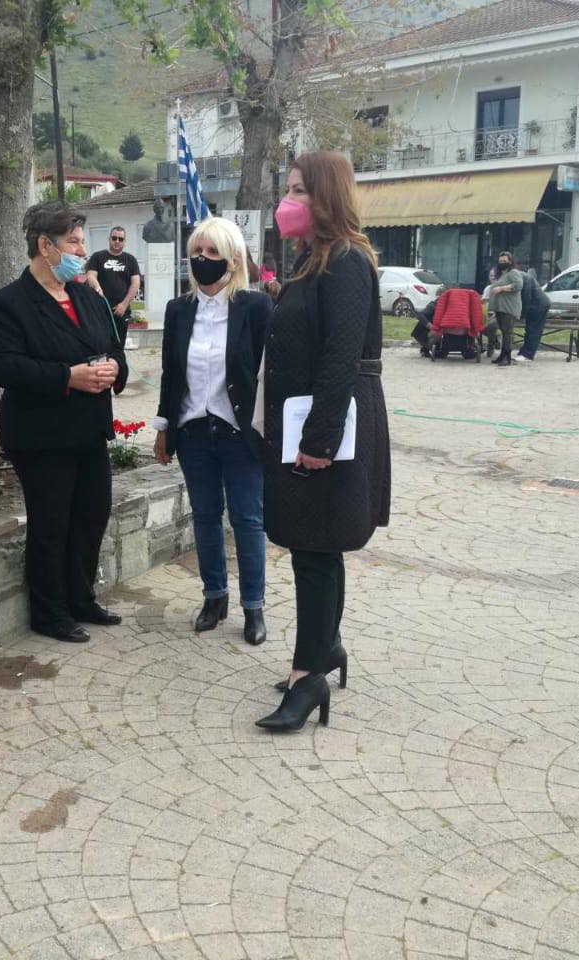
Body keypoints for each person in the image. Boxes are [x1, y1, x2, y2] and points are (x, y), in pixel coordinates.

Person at [253, 151, 391, 732]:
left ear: (326, 195)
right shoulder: (315, 260)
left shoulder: (347, 262)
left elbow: (341, 357)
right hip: (309, 424)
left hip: (326, 428)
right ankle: (325, 646)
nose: (287, 201)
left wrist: (319, 440)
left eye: (298, 190)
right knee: (316, 547)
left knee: (313, 549)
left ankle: (306, 677)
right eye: (287, 189)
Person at [0, 200, 129, 643]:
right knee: (51, 525)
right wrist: (68, 376)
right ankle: (50, 612)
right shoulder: (8, 303)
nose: (82, 251)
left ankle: (81, 598)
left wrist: (114, 370)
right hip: (42, 434)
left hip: (89, 428)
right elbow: (4, 367)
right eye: (73, 242)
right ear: (45, 246)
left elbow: (113, 345)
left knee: (91, 518)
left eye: (82, 242)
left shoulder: (87, 294)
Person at [153, 216, 272, 645]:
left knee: (247, 520)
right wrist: (163, 427)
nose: (202, 259)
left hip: (239, 432)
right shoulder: (179, 309)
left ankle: (254, 606)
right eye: (196, 252)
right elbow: (170, 374)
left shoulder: (255, 307)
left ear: (233, 259)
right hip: (193, 432)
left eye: (212, 252)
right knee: (204, 517)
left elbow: (268, 374)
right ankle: (214, 597)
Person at [86, 226, 142, 345]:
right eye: (114, 238)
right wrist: (96, 286)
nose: (117, 241)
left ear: (124, 241)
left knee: (118, 345)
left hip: (121, 310)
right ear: (109, 239)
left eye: (120, 239)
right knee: (100, 344)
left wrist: (124, 304)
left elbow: (136, 283)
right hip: (100, 309)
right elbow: (91, 275)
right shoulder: (97, 257)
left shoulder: (131, 260)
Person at [484, 251, 523, 365]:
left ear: (510, 261)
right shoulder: (502, 274)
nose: (502, 263)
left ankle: (507, 357)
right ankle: (502, 356)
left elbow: (518, 285)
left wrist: (502, 288)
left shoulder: (513, 273)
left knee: (507, 333)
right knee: (504, 332)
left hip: (508, 308)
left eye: (504, 261)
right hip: (500, 308)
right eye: (500, 261)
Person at [515, 265, 551, 363]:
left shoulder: (523, 279)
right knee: (530, 329)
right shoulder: (522, 276)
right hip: (537, 304)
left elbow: (526, 298)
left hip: (539, 306)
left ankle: (528, 355)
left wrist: (522, 315)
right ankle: (524, 352)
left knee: (533, 330)